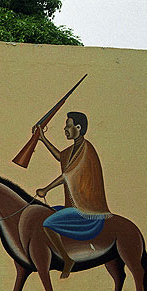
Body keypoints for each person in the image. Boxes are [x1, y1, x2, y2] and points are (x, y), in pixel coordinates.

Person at [35, 112, 112, 279]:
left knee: (47, 223)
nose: (65, 129)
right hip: (73, 206)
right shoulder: (74, 149)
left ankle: (67, 259)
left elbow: (67, 174)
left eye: (68, 126)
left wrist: (46, 189)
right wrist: (42, 139)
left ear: (78, 127)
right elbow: (60, 157)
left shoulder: (86, 150)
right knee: (47, 211)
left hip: (86, 209)